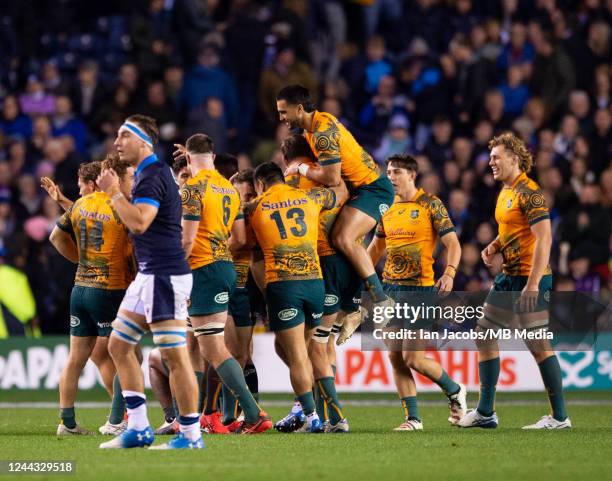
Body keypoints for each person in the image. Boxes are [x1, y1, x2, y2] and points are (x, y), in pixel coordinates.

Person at [97, 115, 204, 449]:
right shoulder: (150, 174)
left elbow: (140, 222)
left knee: (175, 357)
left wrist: (114, 193)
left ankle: (190, 434)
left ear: (144, 141)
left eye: (124, 135)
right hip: (149, 275)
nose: (117, 142)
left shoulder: (152, 176)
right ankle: (140, 428)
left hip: (163, 276)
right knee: (118, 345)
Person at [458, 132, 571, 430]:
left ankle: (560, 418)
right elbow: (512, 229)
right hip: (508, 276)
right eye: (491, 157)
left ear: (514, 158)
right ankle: (485, 413)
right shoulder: (506, 191)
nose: (491, 162)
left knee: (537, 342)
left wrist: (533, 284)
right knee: (484, 333)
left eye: (496, 157)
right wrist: (495, 245)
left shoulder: (530, 192)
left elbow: (544, 238)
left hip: (529, 278)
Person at [276, 85, 395, 343]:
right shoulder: (315, 126)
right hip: (360, 191)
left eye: (284, 112)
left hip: (373, 189)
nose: (281, 118)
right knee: (346, 242)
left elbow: (330, 178)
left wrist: (300, 169)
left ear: (299, 108)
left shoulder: (322, 133)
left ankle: (380, 299)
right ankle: (354, 310)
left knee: (343, 238)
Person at [179, 134, 272, 435]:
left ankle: (252, 413)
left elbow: (188, 239)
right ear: (214, 156)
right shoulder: (229, 190)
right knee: (208, 345)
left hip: (202, 269)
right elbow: (241, 238)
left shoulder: (192, 190)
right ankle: (204, 414)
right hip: (225, 268)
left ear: (189, 159)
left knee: (213, 348)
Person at [367, 154, 467, 431]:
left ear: (412, 175)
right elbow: (375, 249)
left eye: (397, 172)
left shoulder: (430, 204)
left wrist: (449, 273)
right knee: (395, 356)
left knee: (414, 358)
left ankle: (455, 389)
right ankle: (413, 419)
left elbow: (453, 244)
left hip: (420, 291)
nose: (391, 177)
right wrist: (359, 274)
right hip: (389, 290)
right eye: (388, 172)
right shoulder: (387, 208)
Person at [247, 161, 347, 433]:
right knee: (307, 349)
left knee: (298, 354)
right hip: (316, 282)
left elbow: (241, 242)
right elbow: (340, 190)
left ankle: (311, 416)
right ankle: (335, 416)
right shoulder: (308, 196)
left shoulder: (254, 206)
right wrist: (307, 170)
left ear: (259, 184)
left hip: (284, 285)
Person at [42, 163, 130, 435]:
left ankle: (66, 423)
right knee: (126, 355)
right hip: (109, 289)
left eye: (80, 183)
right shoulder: (120, 205)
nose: (78, 189)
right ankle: (118, 419)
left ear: (92, 184)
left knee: (77, 358)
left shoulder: (79, 206)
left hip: (80, 287)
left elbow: (56, 237)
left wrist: (80, 260)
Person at [275, 134, 355, 433]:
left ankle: (330, 417)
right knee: (319, 344)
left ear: (286, 160)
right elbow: (344, 193)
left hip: (320, 264)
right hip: (348, 261)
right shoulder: (329, 180)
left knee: (312, 347)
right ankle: (312, 410)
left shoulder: (288, 184)